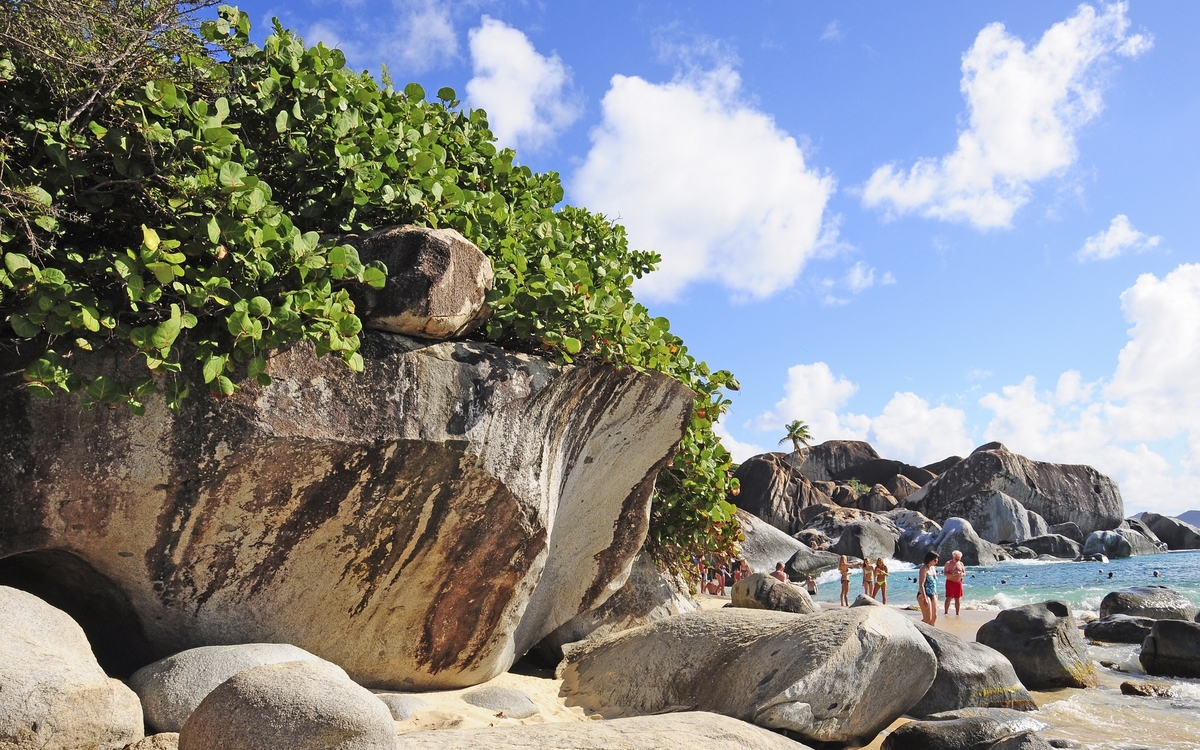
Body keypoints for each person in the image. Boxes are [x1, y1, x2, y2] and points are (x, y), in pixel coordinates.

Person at [918, 551, 940, 626]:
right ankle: (915, 629)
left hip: (933, 593)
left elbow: (934, 582)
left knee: (934, 617)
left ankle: (930, 635)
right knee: (928, 618)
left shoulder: (933, 568)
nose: (936, 562)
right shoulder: (923, 569)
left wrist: (936, 594)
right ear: (930, 559)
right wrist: (924, 599)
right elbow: (921, 585)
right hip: (924, 594)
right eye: (935, 560)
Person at [943, 550, 966, 616]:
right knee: (949, 597)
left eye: (959, 559)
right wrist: (952, 575)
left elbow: (964, 573)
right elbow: (945, 573)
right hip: (950, 582)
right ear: (953, 557)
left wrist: (961, 574)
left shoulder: (961, 564)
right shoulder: (948, 563)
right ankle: (946, 612)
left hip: (958, 582)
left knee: (958, 598)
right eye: (956, 559)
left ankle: (957, 613)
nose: (957, 560)